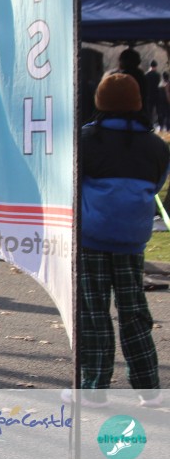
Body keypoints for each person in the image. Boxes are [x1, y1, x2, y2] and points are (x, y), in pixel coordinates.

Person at [77, 73, 169, 408]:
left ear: (99, 101)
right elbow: (156, 185)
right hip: (132, 239)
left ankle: (94, 389)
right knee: (134, 314)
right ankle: (149, 389)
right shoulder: (157, 146)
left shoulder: (85, 139)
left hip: (92, 237)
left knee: (94, 314)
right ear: (138, 102)